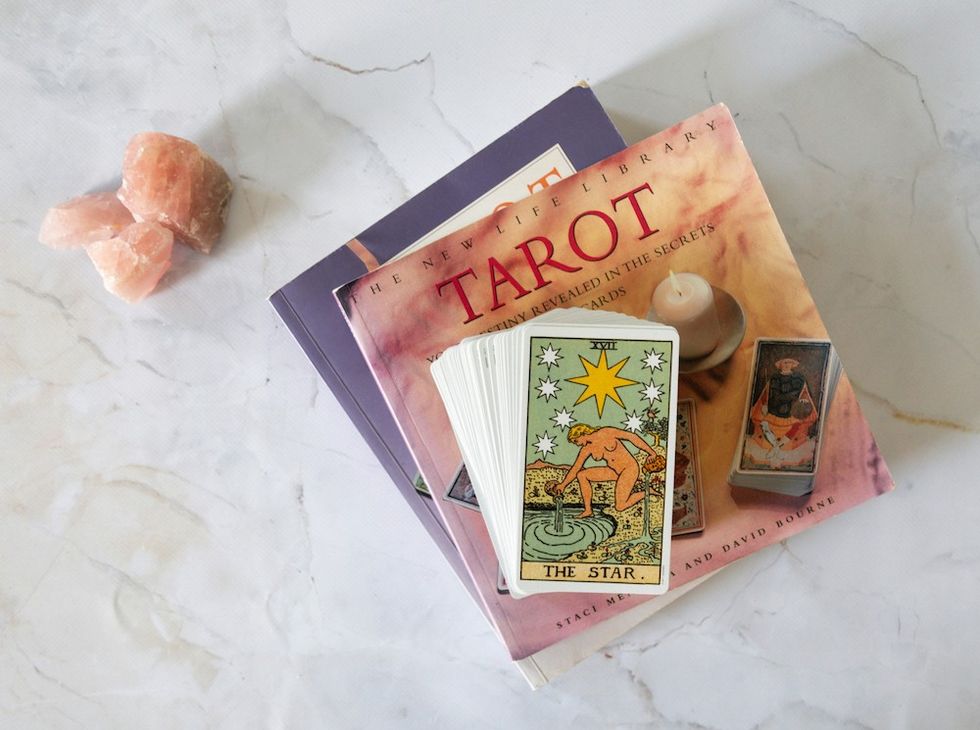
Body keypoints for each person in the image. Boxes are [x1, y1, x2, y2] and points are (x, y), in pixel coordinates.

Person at [548, 424, 663, 517]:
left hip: (629, 469)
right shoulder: (586, 449)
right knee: (582, 474)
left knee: (620, 506)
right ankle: (588, 510)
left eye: (576, 441)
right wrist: (563, 485)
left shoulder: (606, 432)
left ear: (582, 434)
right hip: (613, 471)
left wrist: (651, 452)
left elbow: (632, 437)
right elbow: (575, 468)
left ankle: (648, 491)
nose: (577, 444)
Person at [749, 357, 818, 453]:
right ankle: (774, 446)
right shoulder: (774, 378)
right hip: (774, 411)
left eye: (789, 363)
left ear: (793, 365)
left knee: (795, 428)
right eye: (784, 363)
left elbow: (800, 395)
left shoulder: (799, 379)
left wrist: (798, 402)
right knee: (765, 425)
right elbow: (773, 395)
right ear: (780, 365)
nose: (786, 365)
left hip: (792, 412)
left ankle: (778, 447)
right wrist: (766, 404)